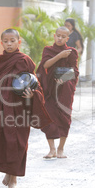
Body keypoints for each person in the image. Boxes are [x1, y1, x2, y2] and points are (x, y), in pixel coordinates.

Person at [0, 28, 51, 188]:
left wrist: (32, 95)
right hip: (2, 107)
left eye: (12, 41)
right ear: (1, 43)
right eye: (6, 41)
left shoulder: (24, 60)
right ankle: (9, 171)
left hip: (20, 107)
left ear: (18, 42)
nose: (9, 44)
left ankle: (14, 178)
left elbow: (34, 82)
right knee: (3, 140)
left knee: (18, 142)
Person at [36, 26, 79, 159]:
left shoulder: (72, 52)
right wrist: (59, 56)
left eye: (63, 36)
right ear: (54, 36)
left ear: (67, 38)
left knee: (64, 119)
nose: (60, 38)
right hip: (49, 89)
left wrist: (64, 80)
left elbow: (75, 71)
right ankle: (52, 149)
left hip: (65, 89)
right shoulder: (48, 50)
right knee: (48, 117)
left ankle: (60, 149)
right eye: (58, 35)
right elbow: (45, 65)